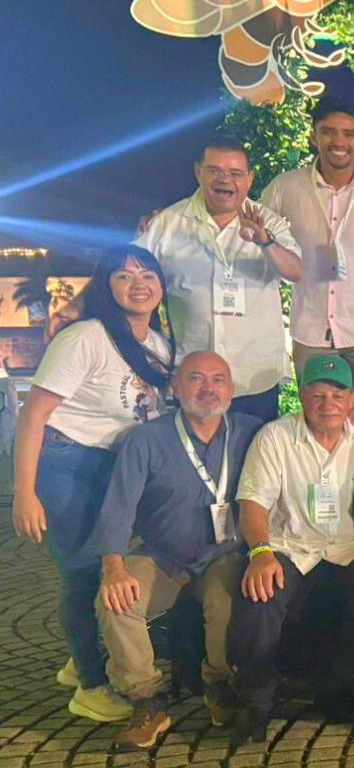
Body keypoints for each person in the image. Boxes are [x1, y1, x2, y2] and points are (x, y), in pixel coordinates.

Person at [11, 245, 174, 723]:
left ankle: (78, 657)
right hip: (66, 463)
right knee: (82, 572)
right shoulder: (85, 337)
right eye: (124, 276)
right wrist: (24, 492)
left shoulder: (159, 344)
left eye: (147, 275)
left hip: (113, 468)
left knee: (101, 565)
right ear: (106, 286)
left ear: (161, 286)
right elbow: (32, 415)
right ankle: (90, 685)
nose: (138, 284)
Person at [93, 352, 260, 748]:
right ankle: (147, 699)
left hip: (224, 555)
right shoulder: (145, 440)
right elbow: (118, 507)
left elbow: (304, 433)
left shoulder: (252, 432)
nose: (208, 388)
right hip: (162, 556)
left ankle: (219, 683)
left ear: (231, 389)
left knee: (228, 601)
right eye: (197, 378)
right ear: (175, 387)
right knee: (116, 601)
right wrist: (114, 568)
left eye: (218, 379)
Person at [228, 356, 354, 743]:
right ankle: (254, 700)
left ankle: (336, 686)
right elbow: (253, 502)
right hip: (291, 547)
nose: (328, 404)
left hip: (348, 547)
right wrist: (260, 552)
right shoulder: (275, 436)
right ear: (302, 397)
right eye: (317, 395)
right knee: (261, 593)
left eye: (338, 395)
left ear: (351, 399)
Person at [137, 136, 303, 420]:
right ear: (198, 172)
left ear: (249, 179)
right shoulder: (167, 223)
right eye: (214, 170)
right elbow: (129, 272)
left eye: (235, 173)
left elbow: (296, 272)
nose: (225, 180)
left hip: (255, 376)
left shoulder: (269, 222)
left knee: (254, 449)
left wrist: (264, 241)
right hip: (193, 376)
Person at [259, 96, 354, 424]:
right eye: (328, 132)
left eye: (348, 134)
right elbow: (252, 231)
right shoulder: (286, 187)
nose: (339, 141)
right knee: (318, 421)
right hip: (310, 331)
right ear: (314, 136)